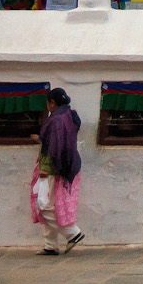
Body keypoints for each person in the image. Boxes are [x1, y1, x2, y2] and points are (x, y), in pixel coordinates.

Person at [32, 88, 84, 256]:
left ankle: (72, 233)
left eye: (48, 103)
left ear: (52, 103)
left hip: (53, 168)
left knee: (43, 205)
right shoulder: (69, 116)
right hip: (67, 166)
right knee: (51, 203)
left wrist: (44, 169)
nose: (47, 107)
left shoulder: (55, 120)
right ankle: (50, 244)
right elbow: (60, 139)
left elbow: (53, 146)